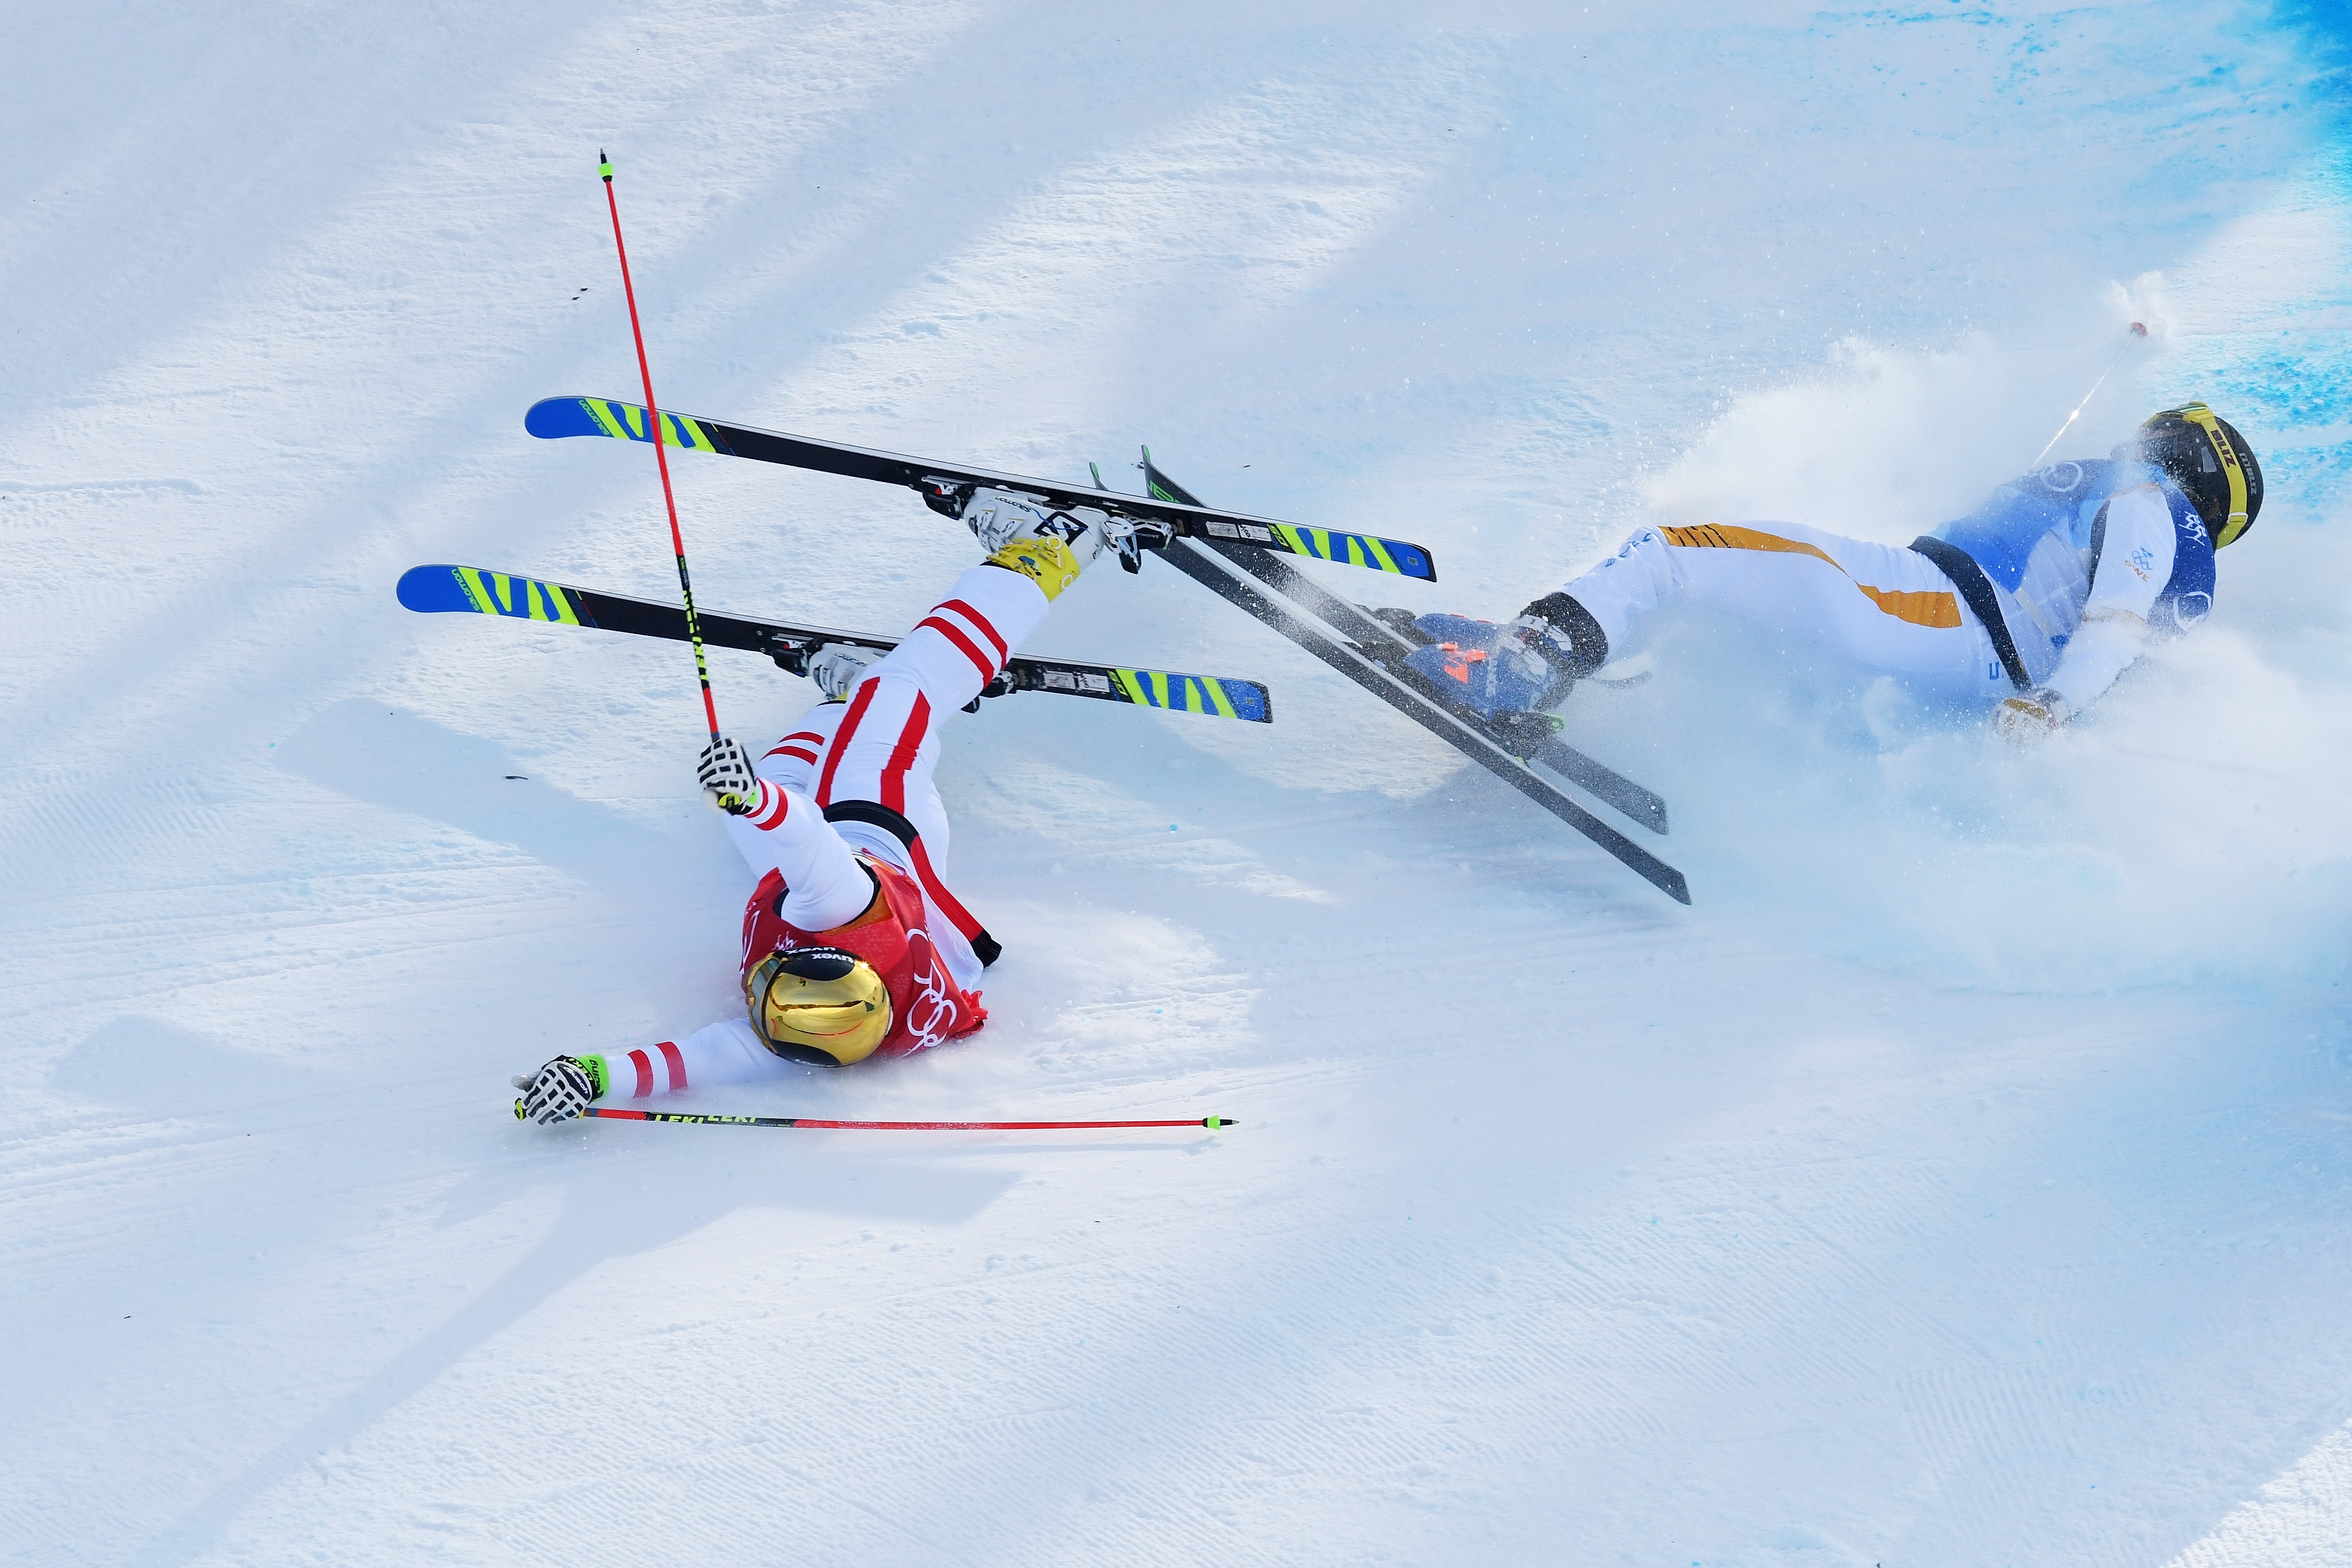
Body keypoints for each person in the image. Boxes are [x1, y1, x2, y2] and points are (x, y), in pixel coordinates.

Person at [512, 488, 1133, 1124]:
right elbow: (805, 835)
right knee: (905, 683)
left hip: (915, 900)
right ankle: (1061, 542)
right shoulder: (834, 906)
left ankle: (842, 701)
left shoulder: (812, 1033)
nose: (763, 1008)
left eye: (768, 1007)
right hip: (879, 810)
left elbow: (692, 1059)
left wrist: (591, 1075)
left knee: (779, 775)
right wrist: (754, 798)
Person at [1403, 403, 2262, 742]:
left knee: (1677, 551)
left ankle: (1529, 658)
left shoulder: (2147, 503)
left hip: (1945, 614)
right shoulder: (2172, 548)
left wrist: (2054, 701)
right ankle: (1561, 662)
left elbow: (2113, 622)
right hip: (1960, 642)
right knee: (1726, 603)